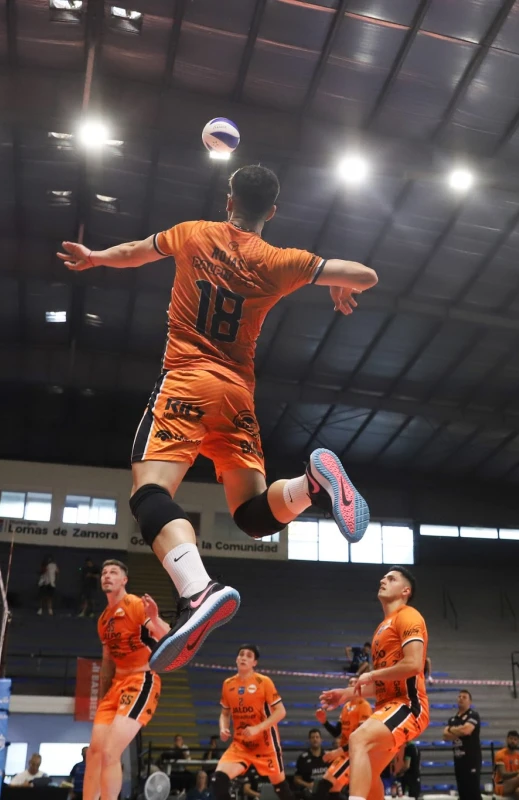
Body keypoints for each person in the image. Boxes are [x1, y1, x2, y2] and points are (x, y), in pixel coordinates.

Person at [57, 164, 378, 672]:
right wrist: (336, 285)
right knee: (252, 515)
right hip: (237, 396)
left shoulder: (192, 234)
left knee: (150, 493)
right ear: (271, 212)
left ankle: (197, 590)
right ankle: (310, 484)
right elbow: (367, 275)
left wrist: (94, 258)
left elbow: (136, 251)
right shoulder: (281, 261)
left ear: (229, 201)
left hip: (185, 381)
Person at [319, 567, 428, 800]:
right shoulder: (381, 628)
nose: (383, 580)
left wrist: (373, 675)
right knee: (367, 771)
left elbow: (415, 664)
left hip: (408, 706)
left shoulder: (409, 616)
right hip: (387, 706)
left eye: (391, 578)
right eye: (383, 577)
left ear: (405, 590)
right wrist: (347, 693)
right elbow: (382, 684)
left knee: (358, 738)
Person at [84, 560, 169, 800]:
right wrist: (102, 701)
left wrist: (155, 617)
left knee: (111, 753)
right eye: (103, 573)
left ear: (124, 580)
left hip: (141, 680)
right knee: (94, 753)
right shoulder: (103, 620)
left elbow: (167, 635)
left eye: (113, 572)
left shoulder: (134, 605)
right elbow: (107, 663)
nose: (106, 576)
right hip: (115, 688)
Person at [212, 645, 294, 800]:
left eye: (249, 656)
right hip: (241, 745)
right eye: (241, 654)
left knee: (281, 789)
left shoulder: (264, 682)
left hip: (265, 744)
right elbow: (224, 713)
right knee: (218, 780)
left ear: (254, 663)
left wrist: (258, 728)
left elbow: (281, 711)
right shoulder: (228, 684)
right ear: (236, 659)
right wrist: (223, 728)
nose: (243, 657)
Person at [445, 689, 482, 800]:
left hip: (471, 760)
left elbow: (467, 730)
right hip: (458, 760)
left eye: (464, 697)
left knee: (473, 793)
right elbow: (446, 736)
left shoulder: (473, 715)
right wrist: (458, 730)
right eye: (459, 696)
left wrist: (451, 729)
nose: (461, 698)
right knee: (463, 793)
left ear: (470, 702)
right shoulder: (452, 719)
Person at [494, 731, 519, 799]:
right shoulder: (500, 754)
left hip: (515, 785)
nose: (513, 741)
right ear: (507, 739)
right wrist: (518, 772)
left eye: (515, 739)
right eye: (511, 739)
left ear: (518, 742)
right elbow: (503, 775)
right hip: (502, 785)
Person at [295, 729, 328, 798]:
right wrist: (308, 785)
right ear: (309, 740)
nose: (315, 739)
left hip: (326, 790)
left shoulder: (328, 756)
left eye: (317, 737)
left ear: (321, 740)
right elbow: (297, 779)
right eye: (313, 737)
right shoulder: (303, 758)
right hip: (310, 791)